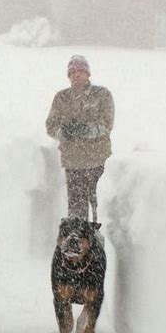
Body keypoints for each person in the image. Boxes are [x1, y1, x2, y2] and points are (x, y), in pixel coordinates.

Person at [46, 55, 114, 222]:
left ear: (88, 74)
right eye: (72, 72)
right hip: (73, 164)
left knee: (99, 211)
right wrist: (63, 132)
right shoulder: (61, 98)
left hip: (98, 162)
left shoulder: (102, 95)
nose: (77, 75)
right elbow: (50, 126)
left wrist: (85, 130)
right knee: (77, 215)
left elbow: (107, 124)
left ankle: (98, 245)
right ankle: (80, 245)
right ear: (68, 76)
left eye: (81, 71)